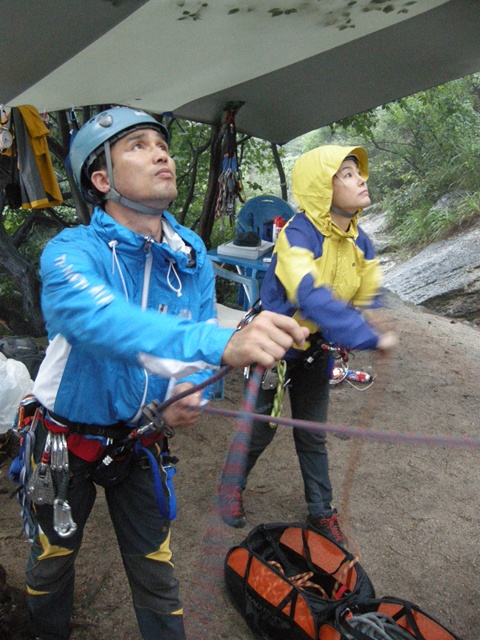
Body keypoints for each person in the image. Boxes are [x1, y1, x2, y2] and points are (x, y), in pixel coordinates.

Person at [21, 106, 308, 640]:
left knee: (156, 572)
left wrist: (188, 386)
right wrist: (220, 343)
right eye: (138, 146)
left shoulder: (190, 253)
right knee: (51, 562)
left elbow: (195, 335)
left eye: (162, 145)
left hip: (140, 441)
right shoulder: (72, 251)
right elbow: (93, 319)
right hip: (65, 441)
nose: (161, 155)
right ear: (101, 180)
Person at [220, 145, 397, 545]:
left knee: (312, 432)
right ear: (322, 187)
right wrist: (368, 335)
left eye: (358, 172)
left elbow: (368, 292)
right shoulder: (297, 235)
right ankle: (230, 486)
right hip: (275, 347)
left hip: (316, 349)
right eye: (347, 174)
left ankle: (321, 510)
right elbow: (308, 293)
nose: (361, 179)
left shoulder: (360, 241)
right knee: (260, 428)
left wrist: (373, 318)